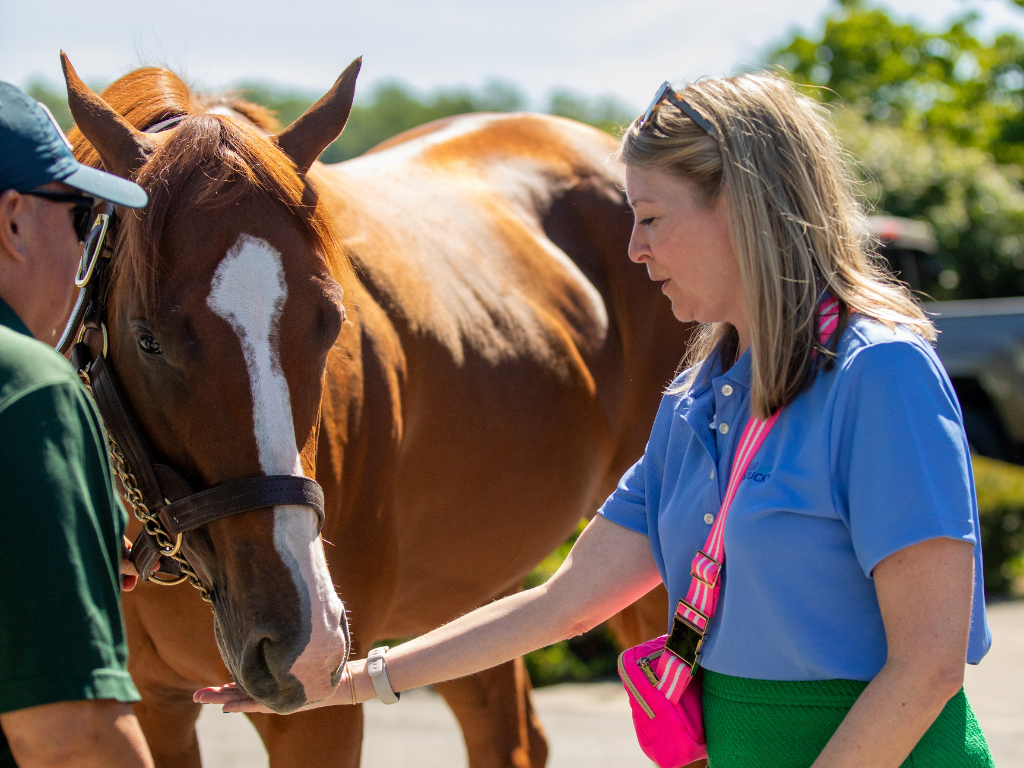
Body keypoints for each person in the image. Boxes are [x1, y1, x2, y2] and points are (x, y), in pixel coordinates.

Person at [197, 72, 994, 767]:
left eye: (650, 218)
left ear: (744, 210)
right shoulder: (698, 400)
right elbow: (564, 603)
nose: (636, 249)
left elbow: (928, 666)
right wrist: (354, 682)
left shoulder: (879, 374)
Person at [0, 81, 154, 768]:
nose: (92, 259)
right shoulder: (30, 390)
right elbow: (74, 742)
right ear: (12, 221)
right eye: (85, 217)